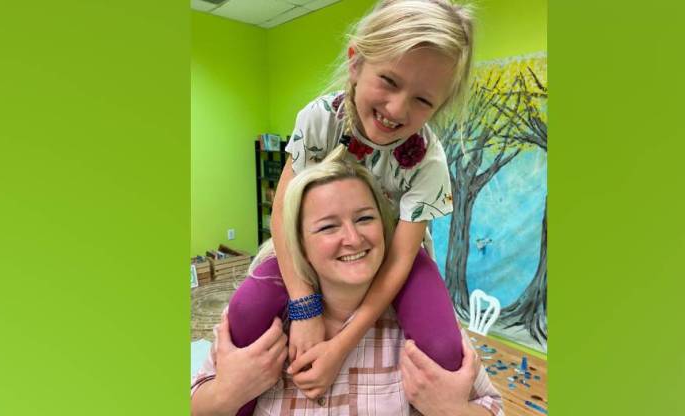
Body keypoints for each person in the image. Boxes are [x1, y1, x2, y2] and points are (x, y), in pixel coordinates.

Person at [228, 0, 475, 413]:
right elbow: (283, 212)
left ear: (441, 105)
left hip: (392, 251)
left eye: (422, 100)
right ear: (356, 62)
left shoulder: (429, 161)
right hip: (307, 242)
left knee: (443, 345)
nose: (397, 110)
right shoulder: (319, 120)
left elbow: (400, 259)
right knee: (247, 310)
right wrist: (305, 308)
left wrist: (342, 343)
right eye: (389, 81)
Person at [191, 157, 503, 415]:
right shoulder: (261, 324)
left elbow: (491, 406)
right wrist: (225, 394)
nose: (353, 239)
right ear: (298, 243)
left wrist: (452, 410)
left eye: (365, 219)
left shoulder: (421, 328)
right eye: (328, 226)